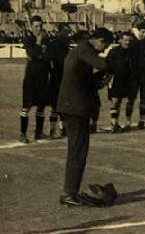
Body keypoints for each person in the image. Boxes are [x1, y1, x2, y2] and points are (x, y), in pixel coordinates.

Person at [57, 28, 114, 206]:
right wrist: (116, 60)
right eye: (105, 45)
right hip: (76, 108)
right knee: (78, 151)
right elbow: (103, 65)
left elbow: (83, 79)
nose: (104, 50)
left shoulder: (81, 50)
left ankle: (70, 192)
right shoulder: (85, 49)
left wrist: (99, 81)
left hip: (73, 106)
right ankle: (69, 193)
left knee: (77, 150)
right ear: (100, 40)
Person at [20, 15, 51, 143]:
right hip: (31, 77)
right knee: (26, 106)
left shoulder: (46, 39)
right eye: (36, 26)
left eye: (40, 26)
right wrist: (38, 42)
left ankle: (39, 132)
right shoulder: (28, 39)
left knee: (41, 106)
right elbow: (33, 54)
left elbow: (47, 57)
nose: (39, 29)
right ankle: (23, 134)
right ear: (32, 27)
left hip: (43, 77)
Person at [127, 21, 145, 129]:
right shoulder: (132, 44)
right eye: (142, 32)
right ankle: (128, 120)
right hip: (134, 75)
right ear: (138, 31)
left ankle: (143, 119)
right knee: (131, 98)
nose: (144, 34)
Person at [47, 24, 72, 138]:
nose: (68, 34)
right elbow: (49, 61)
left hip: (62, 77)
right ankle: (54, 130)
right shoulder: (55, 45)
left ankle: (62, 129)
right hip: (57, 78)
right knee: (56, 105)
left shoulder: (64, 46)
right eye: (66, 32)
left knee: (62, 104)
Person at [106, 32, 133, 133]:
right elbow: (107, 65)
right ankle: (114, 123)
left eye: (129, 40)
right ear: (120, 40)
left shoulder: (133, 52)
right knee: (115, 101)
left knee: (130, 100)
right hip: (116, 79)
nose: (127, 42)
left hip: (129, 79)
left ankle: (128, 122)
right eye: (125, 40)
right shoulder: (114, 51)